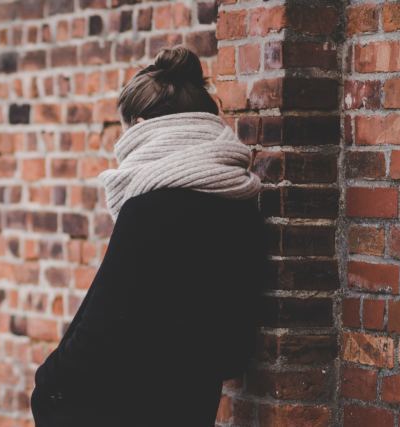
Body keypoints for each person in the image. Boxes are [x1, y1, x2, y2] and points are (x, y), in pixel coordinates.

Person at [29, 46, 270, 426]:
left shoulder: (152, 209)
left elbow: (100, 327)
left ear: (140, 124)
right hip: (188, 408)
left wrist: (48, 385)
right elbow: (232, 351)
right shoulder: (241, 204)